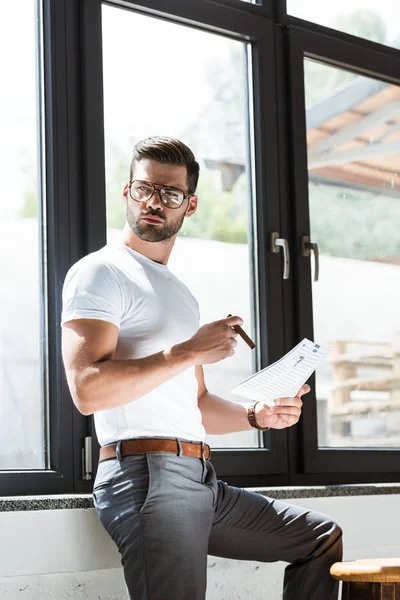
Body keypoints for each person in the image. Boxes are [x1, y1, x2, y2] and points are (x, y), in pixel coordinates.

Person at [61, 136, 342, 600]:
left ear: (189, 206)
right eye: (144, 189)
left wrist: (257, 415)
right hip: (146, 476)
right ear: (127, 192)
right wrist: (187, 351)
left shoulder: (180, 293)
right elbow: (87, 391)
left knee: (318, 538)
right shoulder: (101, 272)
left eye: (169, 194)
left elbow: (196, 405)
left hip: (199, 477)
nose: (154, 202)